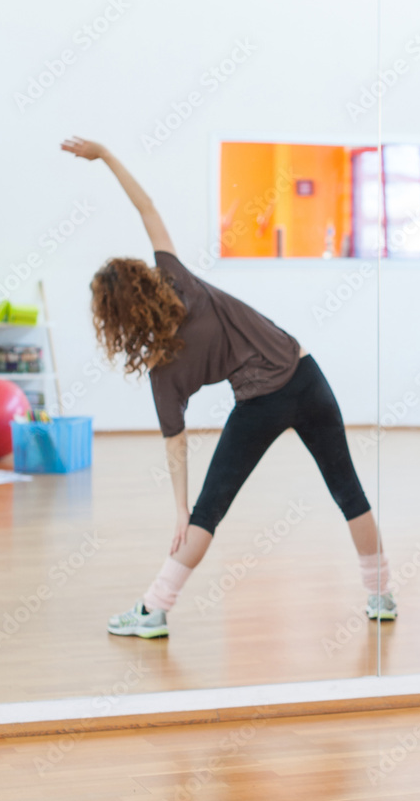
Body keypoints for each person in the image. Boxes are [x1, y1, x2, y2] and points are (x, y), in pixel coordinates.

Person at [60, 137, 397, 636]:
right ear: (144, 281)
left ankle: (155, 609)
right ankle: (382, 594)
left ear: (118, 323)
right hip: (307, 374)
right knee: (348, 491)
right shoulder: (178, 280)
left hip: (261, 403)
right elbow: (146, 206)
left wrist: (181, 508)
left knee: (207, 511)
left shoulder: (162, 369)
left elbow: (175, 442)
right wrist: (107, 155)